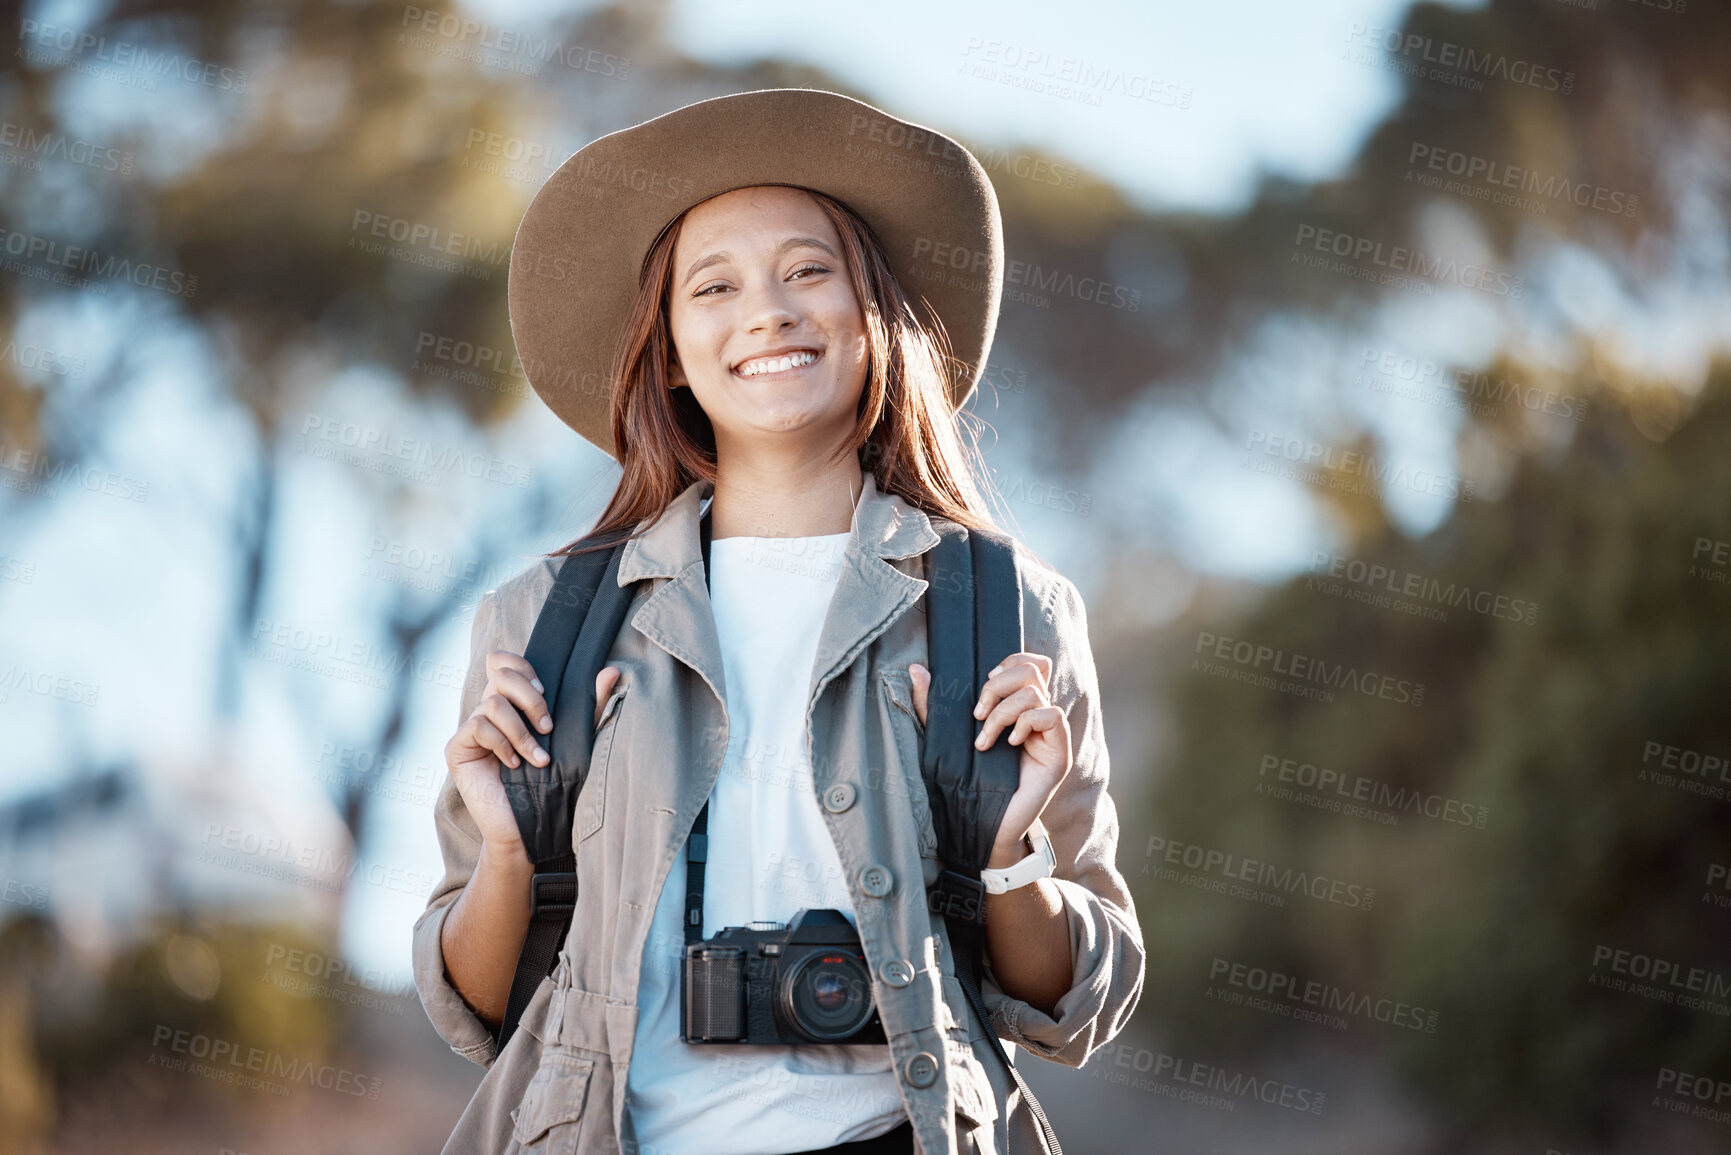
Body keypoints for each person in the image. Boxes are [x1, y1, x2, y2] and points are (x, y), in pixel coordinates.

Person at [412, 88, 1144, 1155]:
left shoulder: (1010, 612)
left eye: (809, 271)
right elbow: (473, 1006)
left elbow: (1084, 997)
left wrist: (1011, 854)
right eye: (714, 286)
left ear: (876, 312)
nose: (769, 312)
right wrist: (513, 858)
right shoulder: (543, 621)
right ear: (665, 348)